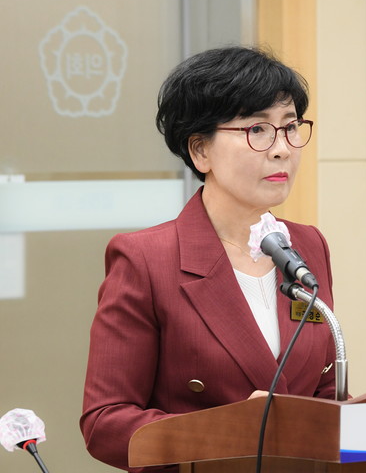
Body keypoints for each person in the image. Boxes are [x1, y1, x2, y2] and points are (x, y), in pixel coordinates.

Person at [80, 46, 337, 472]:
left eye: (291, 127)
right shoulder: (146, 259)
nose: (282, 149)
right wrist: (229, 433)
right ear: (200, 150)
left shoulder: (307, 246)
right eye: (258, 129)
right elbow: (104, 423)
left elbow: (327, 394)